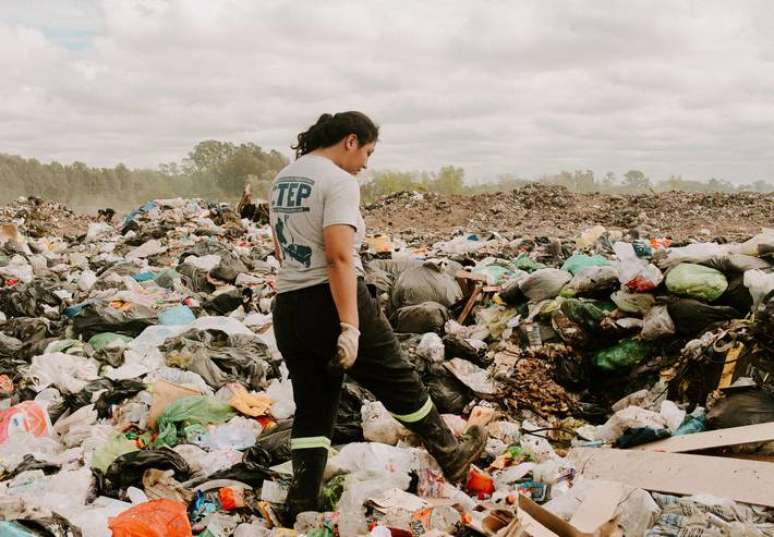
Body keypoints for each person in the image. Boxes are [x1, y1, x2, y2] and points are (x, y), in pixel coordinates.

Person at [269, 111, 487, 519]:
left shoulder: (283, 178)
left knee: (314, 403)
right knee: (396, 377)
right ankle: (450, 453)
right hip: (331, 299)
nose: (366, 163)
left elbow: (281, 250)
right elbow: (338, 256)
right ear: (351, 141)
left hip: (289, 305)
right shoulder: (338, 181)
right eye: (367, 151)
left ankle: (301, 501)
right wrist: (350, 326)